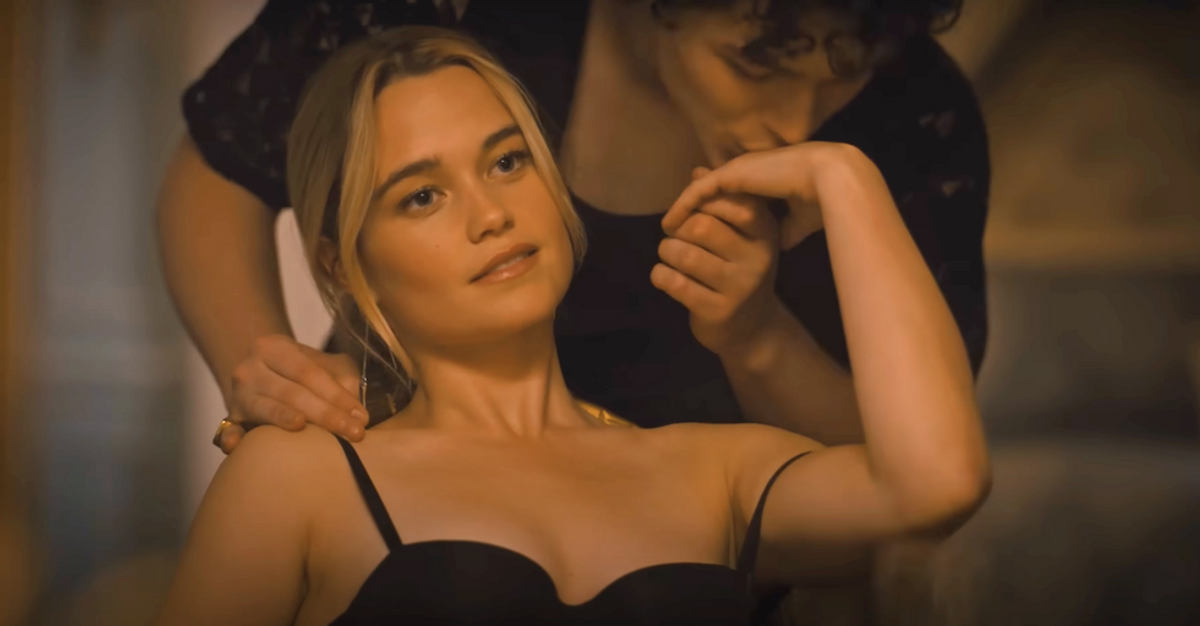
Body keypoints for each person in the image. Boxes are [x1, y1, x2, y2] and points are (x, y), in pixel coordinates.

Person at [153, 27, 989, 626]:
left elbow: (939, 485)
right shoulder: (298, 474)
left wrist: (845, 180)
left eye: (508, 161)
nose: (491, 213)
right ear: (344, 267)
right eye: (423, 195)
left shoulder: (720, 469)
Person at [157, 0, 989, 452]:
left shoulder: (713, 492)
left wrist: (761, 332)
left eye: (842, 76)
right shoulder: (318, 495)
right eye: (752, 63)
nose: (796, 126)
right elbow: (218, 169)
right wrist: (267, 374)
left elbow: (915, 475)